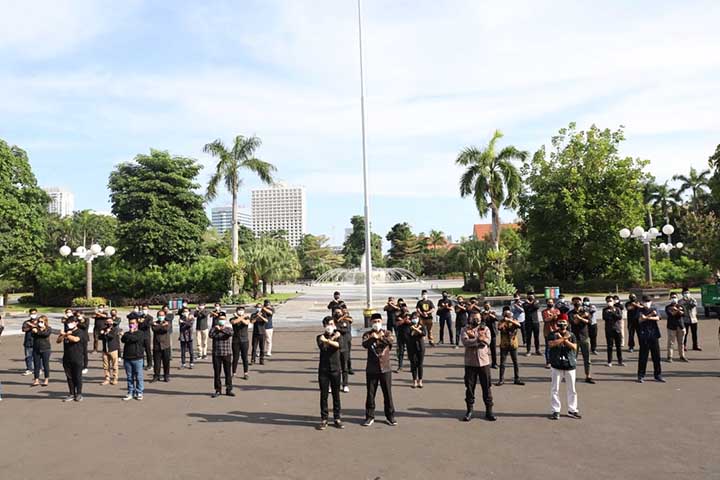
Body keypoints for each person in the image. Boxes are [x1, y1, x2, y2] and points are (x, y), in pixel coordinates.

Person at [361, 314, 396, 427]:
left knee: (387, 394)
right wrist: (373, 338)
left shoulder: (387, 333)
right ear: (371, 322)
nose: (376, 323)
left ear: (382, 321)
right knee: (370, 394)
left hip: (385, 368)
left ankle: (390, 416)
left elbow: (390, 341)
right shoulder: (367, 334)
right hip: (372, 369)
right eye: (374, 321)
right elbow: (365, 344)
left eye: (378, 321)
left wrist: (380, 337)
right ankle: (369, 416)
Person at [460, 311, 496, 422]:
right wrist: (478, 340)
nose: (475, 320)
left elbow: (487, 342)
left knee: (487, 387)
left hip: (484, 362)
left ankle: (489, 411)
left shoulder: (485, 329)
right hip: (470, 363)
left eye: (477, 318)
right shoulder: (464, 329)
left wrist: (476, 340)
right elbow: (465, 342)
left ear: (480, 319)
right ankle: (469, 411)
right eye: (473, 318)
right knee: (470, 388)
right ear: (469, 318)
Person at [547, 317, 581, 420]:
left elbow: (574, 347)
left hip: (570, 364)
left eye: (564, 324)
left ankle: (572, 410)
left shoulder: (572, 335)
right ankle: (556, 410)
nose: (562, 326)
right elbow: (551, 344)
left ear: (567, 325)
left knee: (572, 389)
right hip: (556, 365)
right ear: (557, 325)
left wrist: (564, 339)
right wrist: (563, 338)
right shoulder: (552, 334)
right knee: (555, 389)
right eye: (560, 324)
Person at [317, 316, 344, 430]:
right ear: (324, 326)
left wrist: (329, 340)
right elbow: (323, 347)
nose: (330, 326)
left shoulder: (339, 336)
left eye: (332, 324)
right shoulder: (319, 337)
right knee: (324, 395)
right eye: (328, 324)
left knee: (336, 394)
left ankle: (337, 418)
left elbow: (339, 346)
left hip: (336, 369)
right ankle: (324, 418)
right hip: (323, 370)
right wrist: (331, 339)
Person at [56, 318, 87, 402]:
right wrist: (63, 335)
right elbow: (58, 341)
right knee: (69, 377)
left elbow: (76, 339)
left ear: (76, 323)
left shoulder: (80, 332)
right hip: (67, 358)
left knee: (77, 376)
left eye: (71, 322)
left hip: (77, 357)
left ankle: (79, 394)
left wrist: (66, 335)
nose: (69, 324)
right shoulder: (66, 332)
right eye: (68, 323)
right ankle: (71, 393)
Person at [637, 296, 665, 383]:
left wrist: (648, 317)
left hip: (654, 335)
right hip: (644, 336)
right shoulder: (640, 310)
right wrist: (650, 315)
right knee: (643, 357)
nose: (647, 303)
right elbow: (641, 320)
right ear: (642, 302)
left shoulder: (654, 308)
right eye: (645, 301)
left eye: (648, 301)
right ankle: (641, 376)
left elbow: (658, 318)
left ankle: (658, 375)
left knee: (656, 357)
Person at [569, 298, 595, 384]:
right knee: (573, 358)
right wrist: (583, 317)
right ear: (572, 303)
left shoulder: (586, 311)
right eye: (575, 301)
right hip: (574, 338)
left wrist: (581, 317)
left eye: (578, 301)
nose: (577, 303)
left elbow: (589, 322)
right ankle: (572, 375)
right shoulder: (570, 313)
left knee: (587, 358)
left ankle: (588, 376)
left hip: (585, 337)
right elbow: (574, 322)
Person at [496, 310, 524, 386]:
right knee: (502, 363)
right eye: (506, 314)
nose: (507, 315)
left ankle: (517, 379)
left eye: (509, 314)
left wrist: (510, 320)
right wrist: (505, 321)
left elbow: (519, 325)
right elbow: (499, 328)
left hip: (513, 344)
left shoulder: (514, 320)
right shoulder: (501, 322)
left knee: (515, 362)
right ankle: (501, 380)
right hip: (504, 344)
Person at [209, 316, 235, 397]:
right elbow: (210, 335)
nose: (221, 321)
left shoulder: (228, 328)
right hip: (216, 354)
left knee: (228, 372)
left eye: (223, 319)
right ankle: (217, 390)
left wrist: (221, 329)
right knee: (217, 373)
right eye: (220, 319)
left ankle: (229, 389)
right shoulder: (214, 328)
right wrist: (217, 329)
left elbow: (230, 333)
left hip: (226, 353)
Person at [121, 318, 145, 401]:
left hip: (137, 358)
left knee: (139, 376)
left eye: (133, 323)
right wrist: (128, 334)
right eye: (130, 323)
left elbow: (134, 339)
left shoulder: (141, 333)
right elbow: (123, 339)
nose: (131, 325)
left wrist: (130, 333)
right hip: (127, 358)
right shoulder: (126, 333)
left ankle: (139, 392)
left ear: (137, 324)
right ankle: (130, 392)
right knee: (129, 377)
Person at [602, 295, 624, 367]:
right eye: (608, 301)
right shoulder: (605, 309)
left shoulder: (617, 309)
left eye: (610, 301)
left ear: (613, 301)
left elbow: (619, 317)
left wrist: (613, 312)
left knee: (618, 346)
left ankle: (620, 361)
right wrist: (610, 313)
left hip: (617, 329)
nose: (609, 302)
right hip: (609, 330)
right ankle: (609, 361)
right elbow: (605, 318)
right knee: (610, 346)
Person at [665, 293, 688, 363]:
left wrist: (678, 310)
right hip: (671, 327)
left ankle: (682, 356)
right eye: (672, 297)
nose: (674, 298)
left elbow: (684, 314)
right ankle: (670, 357)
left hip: (681, 326)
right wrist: (678, 310)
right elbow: (671, 314)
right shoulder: (668, 307)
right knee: (671, 343)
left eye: (675, 297)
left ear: (677, 298)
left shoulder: (681, 306)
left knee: (681, 343)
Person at [30, 315, 52, 387]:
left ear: (45, 322)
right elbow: (32, 335)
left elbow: (45, 334)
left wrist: (38, 332)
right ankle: (36, 379)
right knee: (36, 365)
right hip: (36, 349)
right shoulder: (35, 328)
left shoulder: (48, 328)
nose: (40, 323)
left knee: (46, 365)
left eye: (41, 321)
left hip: (46, 349)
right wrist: (35, 331)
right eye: (39, 321)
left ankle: (46, 379)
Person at [407, 312, 427, 388]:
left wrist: (416, 329)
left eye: (416, 317)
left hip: (420, 346)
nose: (415, 319)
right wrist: (415, 330)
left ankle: (420, 380)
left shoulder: (422, 325)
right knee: (413, 364)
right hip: (412, 347)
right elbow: (409, 335)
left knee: (420, 364)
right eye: (413, 318)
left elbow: (424, 334)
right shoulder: (409, 326)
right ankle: (414, 381)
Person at [334, 308, 352, 392]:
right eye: (336, 312)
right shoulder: (332, 321)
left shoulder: (345, 321)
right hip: (334, 348)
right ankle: (334, 384)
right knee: (335, 368)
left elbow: (346, 329)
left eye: (339, 312)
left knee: (344, 367)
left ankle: (345, 384)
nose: (337, 313)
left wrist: (337, 329)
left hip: (344, 346)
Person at [151, 311, 171, 382]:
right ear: (157, 316)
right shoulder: (154, 323)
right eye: (159, 315)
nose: (161, 316)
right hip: (156, 345)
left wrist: (158, 326)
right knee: (156, 362)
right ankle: (156, 376)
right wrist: (161, 326)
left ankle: (166, 376)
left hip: (166, 345)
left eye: (162, 315)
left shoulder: (168, 322)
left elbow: (165, 329)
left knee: (166, 362)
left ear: (165, 316)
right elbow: (155, 329)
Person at [98, 317, 120, 385]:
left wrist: (106, 333)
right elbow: (99, 337)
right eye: (107, 322)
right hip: (105, 350)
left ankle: (115, 378)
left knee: (114, 365)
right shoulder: (104, 329)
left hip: (113, 349)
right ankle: (107, 378)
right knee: (105, 365)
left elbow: (111, 336)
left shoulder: (115, 329)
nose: (109, 323)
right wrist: (102, 333)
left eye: (110, 321)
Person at [230, 306, 250, 379]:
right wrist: (241, 317)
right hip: (235, 340)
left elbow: (246, 323)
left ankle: (246, 373)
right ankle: (234, 373)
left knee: (245, 357)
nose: (240, 312)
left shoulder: (247, 318)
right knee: (235, 357)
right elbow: (234, 322)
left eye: (242, 310)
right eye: (239, 310)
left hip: (245, 340)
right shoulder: (232, 318)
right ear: (236, 311)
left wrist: (242, 317)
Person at [542, 299, 560, 369]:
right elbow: (546, 319)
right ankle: (548, 362)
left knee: (557, 346)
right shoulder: (544, 311)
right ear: (546, 303)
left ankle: (556, 360)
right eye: (549, 302)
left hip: (557, 330)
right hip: (547, 331)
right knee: (548, 347)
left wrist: (551, 316)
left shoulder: (557, 310)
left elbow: (558, 319)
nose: (550, 303)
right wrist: (553, 316)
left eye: (551, 302)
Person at [480, 302, 498, 369]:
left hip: (492, 333)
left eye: (488, 305)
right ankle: (484, 363)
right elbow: (481, 322)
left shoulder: (493, 312)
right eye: (485, 306)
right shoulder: (482, 313)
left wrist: (490, 314)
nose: (487, 307)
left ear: (490, 306)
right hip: (484, 333)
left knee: (493, 349)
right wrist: (484, 315)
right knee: (483, 349)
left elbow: (497, 319)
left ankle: (494, 363)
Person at [394, 299, 410, 372]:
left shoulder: (410, 315)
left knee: (411, 352)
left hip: (409, 335)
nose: (404, 308)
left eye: (405, 307)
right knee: (400, 352)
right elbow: (397, 324)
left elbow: (412, 323)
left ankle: (412, 367)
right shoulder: (398, 316)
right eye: (402, 307)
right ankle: (400, 366)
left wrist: (405, 320)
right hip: (400, 335)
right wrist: (404, 321)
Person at [21, 309, 38, 376]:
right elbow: (24, 329)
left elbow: (41, 328)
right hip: (28, 342)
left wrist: (32, 325)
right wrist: (31, 326)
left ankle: (39, 369)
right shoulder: (26, 322)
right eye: (32, 313)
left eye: (34, 313)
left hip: (37, 342)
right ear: (29, 314)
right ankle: (29, 369)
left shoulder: (40, 321)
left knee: (38, 357)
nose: (33, 315)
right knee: (28, 356)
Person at [137, 306, 153, 370]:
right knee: (141, 351)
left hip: (147, 336)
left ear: (148, 309)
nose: (144, 310)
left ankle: (150, 364)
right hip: (140, 335)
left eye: (145, 309)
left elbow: (148, 325)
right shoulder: (139, 317)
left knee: (148, 350)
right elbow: (136, 325)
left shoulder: (150, 317)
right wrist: (139, 321)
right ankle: (141, 364)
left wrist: (142, 322)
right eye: (143, 309)